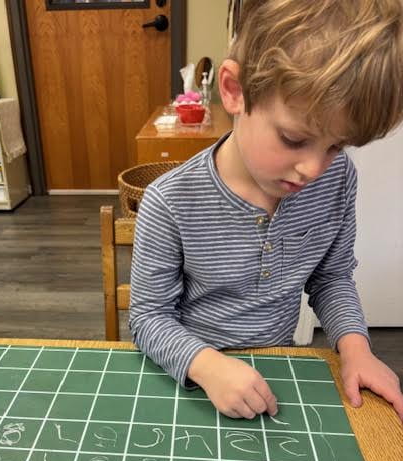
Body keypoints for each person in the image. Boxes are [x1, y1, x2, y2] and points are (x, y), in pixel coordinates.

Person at [129, 0, 403, 421]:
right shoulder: (170, 201)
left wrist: (355, 348)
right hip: (189, 375)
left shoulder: (337, 180)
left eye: (337, 146)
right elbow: (149, 317)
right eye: (294, 139)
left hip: (279, 367)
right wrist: (207, 366)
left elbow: (331, 278)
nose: (313, 168)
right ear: (234, 91)